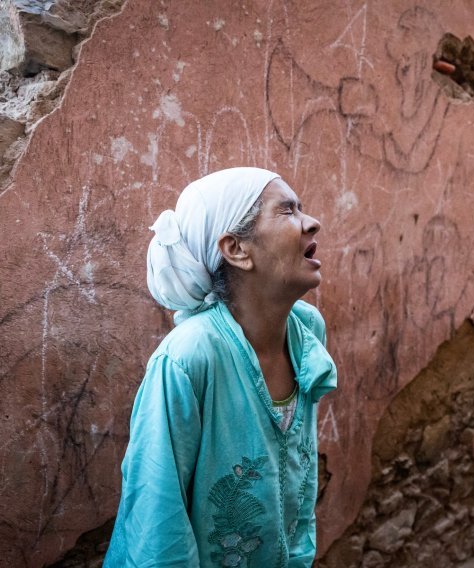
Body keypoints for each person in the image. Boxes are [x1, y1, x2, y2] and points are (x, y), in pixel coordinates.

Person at [104, 167, 337, 567]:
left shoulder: (305, 330)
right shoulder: (188, 356)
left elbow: (298, 478)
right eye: (288, 211)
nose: (312, 222)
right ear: (236, 249)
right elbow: (157, 518)